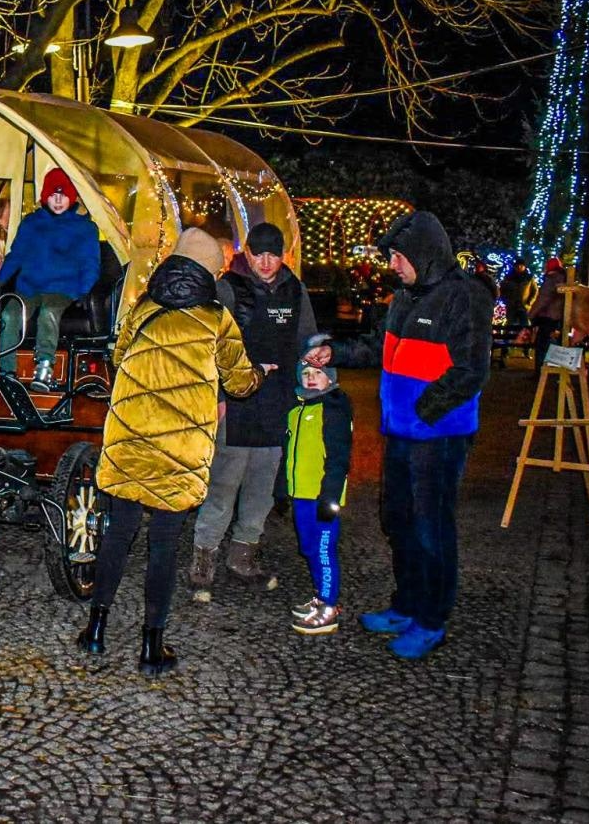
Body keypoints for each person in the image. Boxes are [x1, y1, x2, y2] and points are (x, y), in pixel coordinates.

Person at [76, 228, 270, 675]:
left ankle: (97, 631)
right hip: (178, 451)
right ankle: (151, 647)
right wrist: (258, 373)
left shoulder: (142, 307)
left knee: (118, 535)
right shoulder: (216, 317)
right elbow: (240, 383)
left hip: (130, 438)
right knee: (163, 545)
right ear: (208, 272)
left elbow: (118, 356)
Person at [303, 211, 492, 660]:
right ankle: (407, 605)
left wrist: (423, 412)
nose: (392, 265)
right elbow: (377, 346)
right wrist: (338, 352)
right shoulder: (405, 297)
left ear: (423, 255)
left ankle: (432, 618)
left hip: (438, 436)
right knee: (400, 521)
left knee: (432, 528)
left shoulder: (463, 298)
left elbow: (471, 371)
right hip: (402, 433)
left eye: (398, 257)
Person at [187, 221, 317, 596]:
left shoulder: (295, 291)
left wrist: (316, 366)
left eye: (273, 254)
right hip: (238, 401)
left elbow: (307, 339)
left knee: (262, 485)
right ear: (247, 254)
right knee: (224, 482)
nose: (265, 261)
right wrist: (219, 399)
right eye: (258, 253)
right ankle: (204, 559)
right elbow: (210, 344)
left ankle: (242, 556)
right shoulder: (229, 288)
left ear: (283, 255)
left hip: (276, 403)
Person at [0, 169, 100, 391]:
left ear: (72, 196)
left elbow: (90, 263)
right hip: (30, 286)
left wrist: (85, 291)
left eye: (63, 194)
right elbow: (17, 255)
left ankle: (44, 366)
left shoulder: (84, 228)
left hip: (63, 288)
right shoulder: (32, 224)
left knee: (49, 313)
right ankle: (6, 369)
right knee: (10, 313)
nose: (58, 200)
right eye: (53, 195)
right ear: (45, 196)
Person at [284, 349, 354, 636]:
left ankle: (329, 605)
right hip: (301, 493)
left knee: (324, 551)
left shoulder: (333, 409)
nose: (311, 379)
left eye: (318, 374)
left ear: (330, 378)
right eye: (306, 374)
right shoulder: (297, 409)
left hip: (322, 496)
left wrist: (331, 497)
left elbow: (338, 458)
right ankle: (319, 596)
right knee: (309, 547)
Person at [529, 257, 567, 370]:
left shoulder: (551, 279)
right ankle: (556, 370)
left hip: (548, 316)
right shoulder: (564, 279)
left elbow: (543, 299)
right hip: (559, 316)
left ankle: (541, 371)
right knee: (555, 343)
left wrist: (531, 314)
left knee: (542, 344)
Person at [499, 259, 537, 330]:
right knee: (510, 326)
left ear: (525, 267)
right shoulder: (508, 278)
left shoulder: (529, 278)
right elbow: (502, 290)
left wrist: (529, 302)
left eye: (521, 265)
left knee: (525, 326)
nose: (519, 267)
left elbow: (535, 291)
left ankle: (524, 340)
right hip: (511, 306)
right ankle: (509, 340)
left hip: (524, 306)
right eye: (517, 265)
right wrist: (506, 301)